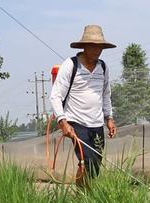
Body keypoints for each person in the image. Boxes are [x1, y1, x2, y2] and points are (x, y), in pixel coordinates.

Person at [49, 25, 117, 186]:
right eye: (92, 46)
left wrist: (109, 118)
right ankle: (83, 198)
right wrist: (63, 122)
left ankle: (83, 193)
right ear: (84, 46)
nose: (97, 50)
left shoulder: (103, 67)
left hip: (97, 123)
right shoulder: (71, 65)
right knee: (87, 161)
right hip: (77, 122)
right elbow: (55, 95)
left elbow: (106, 94)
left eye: (99, 46)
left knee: (95, 166)